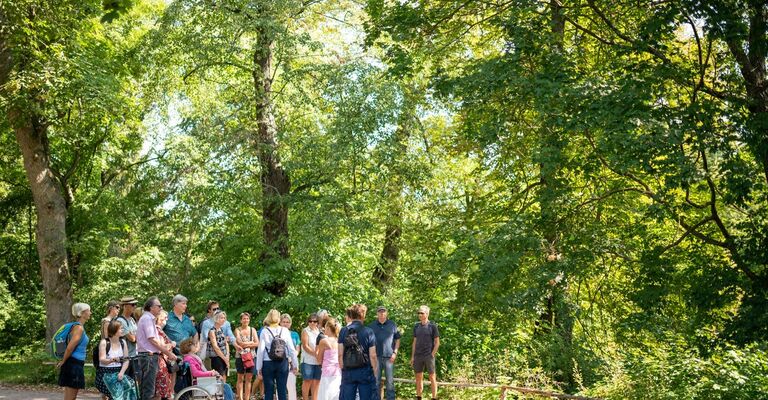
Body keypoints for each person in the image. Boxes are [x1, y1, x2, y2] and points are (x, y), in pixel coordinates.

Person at [136, 296, 178, 400]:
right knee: (149, 390)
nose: (161, 308)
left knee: (148, 389)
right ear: (151, 307)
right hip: (148, 357)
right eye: (159, 306)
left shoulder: (149, 319)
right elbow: (153, 340)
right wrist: (168, 353)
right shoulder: (147, 318)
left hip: (149, 356)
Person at [256, 309, 299, 400]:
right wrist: (295, 364)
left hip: (268, 363)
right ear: (279, 318)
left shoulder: (264, 331)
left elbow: (260, 351)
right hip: (283, 362)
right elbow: (291, 349)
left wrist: (259, 367)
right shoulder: (285, 330)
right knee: (282, 390)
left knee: (269, 391)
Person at [337, 304, 378, 400]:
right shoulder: (369, 331)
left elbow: (339, 354)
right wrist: (375, 371)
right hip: (365, 371)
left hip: (348, 371)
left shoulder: (343, 331)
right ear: (363, 315)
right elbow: (373, 355)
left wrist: (343, 369)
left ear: (351, 315)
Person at [57, 303, 91, 400]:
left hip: (75, 363)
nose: (90, 313)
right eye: (88, 310)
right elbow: (70, 348)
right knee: (70, 398)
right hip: (73, 365)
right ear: (82, 313)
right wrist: (63, 361)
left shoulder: (77, 326)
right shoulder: (79, 328)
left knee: (70, 398)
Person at [97, 320, 138, 400]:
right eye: (121, 329)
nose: (123, 330)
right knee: (117, 394)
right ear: (114, 330)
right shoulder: (104, 342)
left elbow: (126, 360)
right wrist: (112, 360)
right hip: (105, 373)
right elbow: (102, 360)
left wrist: (122, 373)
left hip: (118, 372)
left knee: (132, 388)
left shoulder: (123, 342)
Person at [368, 306, 400, 400]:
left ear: (387, 313)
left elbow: (397, 339)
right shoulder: (371, 326)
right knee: (376, 381)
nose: (382, 314)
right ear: (377, 313)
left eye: (383, 312)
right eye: (380, 312)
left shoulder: (392, 325)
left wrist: (395, 353)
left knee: (390, 382)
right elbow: (368, 342)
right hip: (376, 357)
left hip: (389, 357)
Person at [411, 305, 439, 400]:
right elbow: (414, 342)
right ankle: (419, 397)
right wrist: (412, 357)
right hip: (418, 356)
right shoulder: (416, 326)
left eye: (422, 313)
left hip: (428, 356)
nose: (420, 314)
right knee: (418, 378)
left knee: (432, 377)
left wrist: (432, 354)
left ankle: (434, 397)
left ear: (427, 314)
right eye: (419, 313)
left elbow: (437, 342)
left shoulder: (432, 326)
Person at [200, 300, 238, 365]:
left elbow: (231, 336)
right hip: (212, 354)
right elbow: (204, 338)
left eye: (218, 308)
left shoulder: (226, 323)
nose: (217, 310)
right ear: (209, 310)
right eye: (214, 309)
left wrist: (236, 345)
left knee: (224, 374)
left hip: (224, 351)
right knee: (214, 374)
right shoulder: (206, 323)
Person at [97, 300, 121, 400]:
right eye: (117, 307)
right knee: (106, 383)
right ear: (111, 308)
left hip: (113, 350)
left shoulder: (113, 320)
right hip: (107, 350)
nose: (119, 310)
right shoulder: (107, 321)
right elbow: (107, 337)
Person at [315, 318, 341, 400]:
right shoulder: (340, 341)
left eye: (325, 327)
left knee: (325, 396)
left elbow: (319, 360)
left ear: (328, 328)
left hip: (327, 373)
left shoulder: (324, 341)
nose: (323, 329)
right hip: (338, 372)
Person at [235, 312, 258, 400]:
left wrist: (246, 344)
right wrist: (251, 343)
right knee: (240, 378)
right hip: (240, 357)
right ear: (241, 320)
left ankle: (247, 398)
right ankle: (240, 398)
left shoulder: (253, 330)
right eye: (244, 318)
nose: (246, 320)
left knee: (249, 378)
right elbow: (239, 343)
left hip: (251, 357)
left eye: (247, 318)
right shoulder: (237, 330)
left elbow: (257, 343)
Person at [154, 310, 176, 400]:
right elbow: (161, 346)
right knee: (160, 391)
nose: (166, 319)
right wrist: (172, 344)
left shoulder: (159, 329)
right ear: (159, 318)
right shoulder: (157, 330)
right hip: (160, 362)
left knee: (162, 390)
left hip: (164, 362)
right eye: (164, 317)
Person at [300, 313, 321, 400]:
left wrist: (319, 356)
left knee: (316, 382)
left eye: (315, 321)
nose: (312, 323)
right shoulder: (305, 331)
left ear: (318, 322)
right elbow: (305, 346)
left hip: (318, 361)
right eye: (310, 321)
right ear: (308, 322)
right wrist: (316, 354)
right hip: (307, 361)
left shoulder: (320, 332)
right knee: (307, 381)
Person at [280, 313, 301, 400]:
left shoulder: (295, 334)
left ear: (290, 323)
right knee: (280, 386)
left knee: (291, 386)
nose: (285, 324)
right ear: (280, 323)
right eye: (284, 322)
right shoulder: (278, 333)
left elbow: (297, 349)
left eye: (287, 322)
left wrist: (292, 357)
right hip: (280, 362)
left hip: (292, 362)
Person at [208, 310, 231, 384]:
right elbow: (215, 347)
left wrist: (227, 355)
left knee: (224, 376)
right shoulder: (212, 331)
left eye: (224, 318)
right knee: (219, 378)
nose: (223, 319)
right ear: (216, 318)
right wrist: (224, 358)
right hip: (217, 358)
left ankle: (224, 394)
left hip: (224, 357)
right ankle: (218, 394)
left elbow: (226, 343)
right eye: (221, 318)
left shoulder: (221, 329)